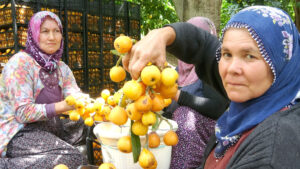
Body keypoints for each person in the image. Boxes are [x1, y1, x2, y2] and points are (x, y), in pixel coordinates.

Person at [123, 6, 300, 168]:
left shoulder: (275, 148)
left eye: (249, 56)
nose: (231, 68)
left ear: (281, 62)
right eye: (227, 54)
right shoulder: (254, 99)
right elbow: (204, 46)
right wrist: (161, 35)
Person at [0, 11, 87, 169]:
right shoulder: (20, 63)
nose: (52, 37)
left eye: (57, 31)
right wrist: (63, 106)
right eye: (45, 31)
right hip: (19, 132)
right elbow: (22, 112)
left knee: (85, 125)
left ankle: (50, 154)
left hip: (47, 125)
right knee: (73, 158)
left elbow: (73, 94)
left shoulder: (61, 68)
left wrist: (89, 104)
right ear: (33, 34)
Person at [162, 17, 229, 169]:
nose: (190, 47)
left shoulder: (209, 70)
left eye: (195, 42)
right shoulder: (177, 72)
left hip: (198, 145)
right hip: (173, 143)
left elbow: (218, 107)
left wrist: (179, 96)